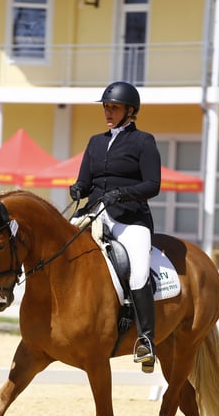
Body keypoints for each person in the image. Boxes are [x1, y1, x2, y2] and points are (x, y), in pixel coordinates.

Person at [69, 81, 161, 373]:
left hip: (129, 218)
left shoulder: (144, 141)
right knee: (60, 249)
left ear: (130, 111)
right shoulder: (95, 142)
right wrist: (78, 188)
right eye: (106, 107)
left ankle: (146, 339)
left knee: (138, 272)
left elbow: (153, 185)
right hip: (95, 212)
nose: (108, 112)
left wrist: (121, 194)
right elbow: (85, 179)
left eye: (114, 108)